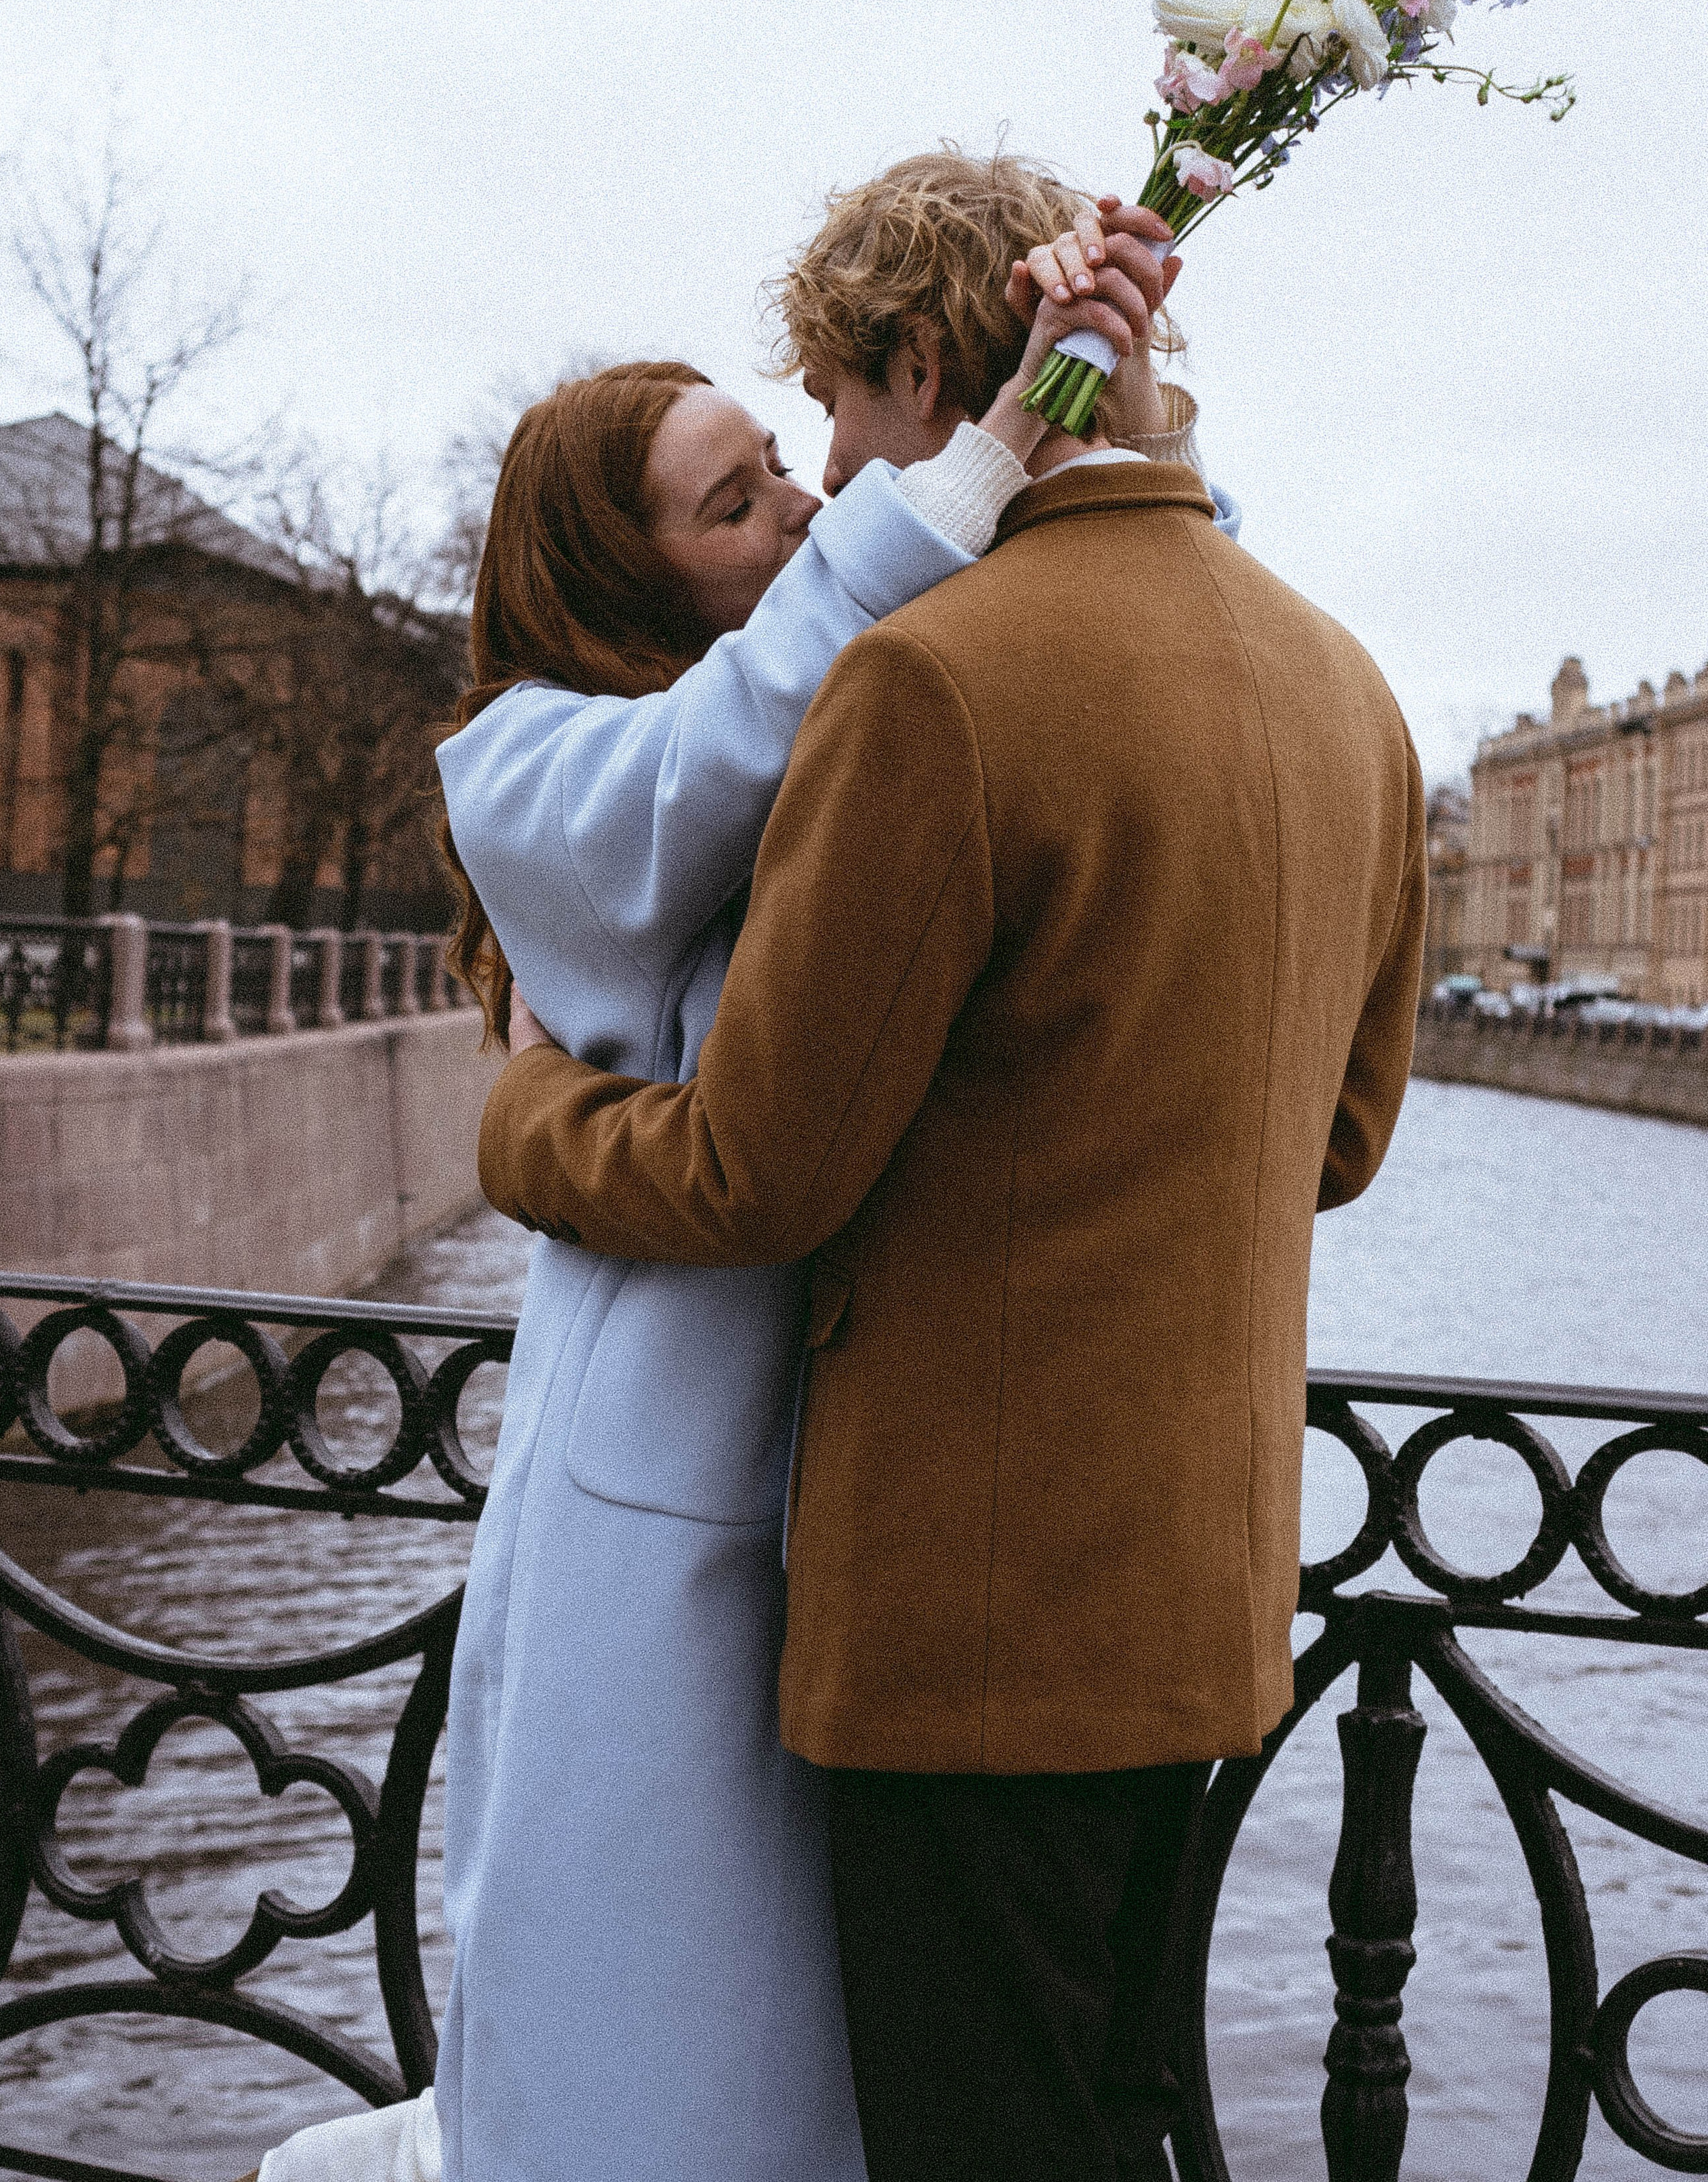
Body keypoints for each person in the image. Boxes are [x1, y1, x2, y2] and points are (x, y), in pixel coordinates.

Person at [249, 156, 1236, 2182]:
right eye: (735, 502)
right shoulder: (531, 760)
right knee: (653, 2019)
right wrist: (971, 465)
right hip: (666, 1504)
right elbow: (727, 751)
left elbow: (1116, 661)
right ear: (612, 580)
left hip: (870, 1506)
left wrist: (1122, 421)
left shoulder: (856, 702)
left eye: (794, 463)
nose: (803, 509)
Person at [475, 154, 1429, 2182]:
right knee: (1117, 2109)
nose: (833, 473)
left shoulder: (938, 684)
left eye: (829, 407)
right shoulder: (1352, 689)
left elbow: (759, 1174)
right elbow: (1337, 1143)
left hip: (968, 1621)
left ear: (923, 367)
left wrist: (525, 1115)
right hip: (1208, 1592)